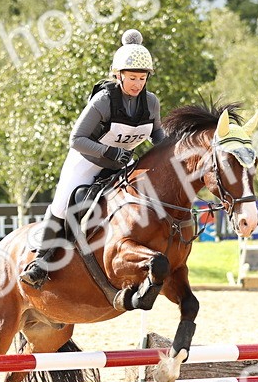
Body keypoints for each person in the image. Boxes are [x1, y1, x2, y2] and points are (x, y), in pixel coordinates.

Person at [19, 29, 167, 288]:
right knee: (63, 205)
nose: (137, 84)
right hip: (87, 161)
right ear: (118, 75)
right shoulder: (104, 100)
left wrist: (172, 148)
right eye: (132, 77)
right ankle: (40, 263)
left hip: (122, 165)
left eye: (142, 78)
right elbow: (76, 139)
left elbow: (157, 135)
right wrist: (108, 152)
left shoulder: (151, 103)